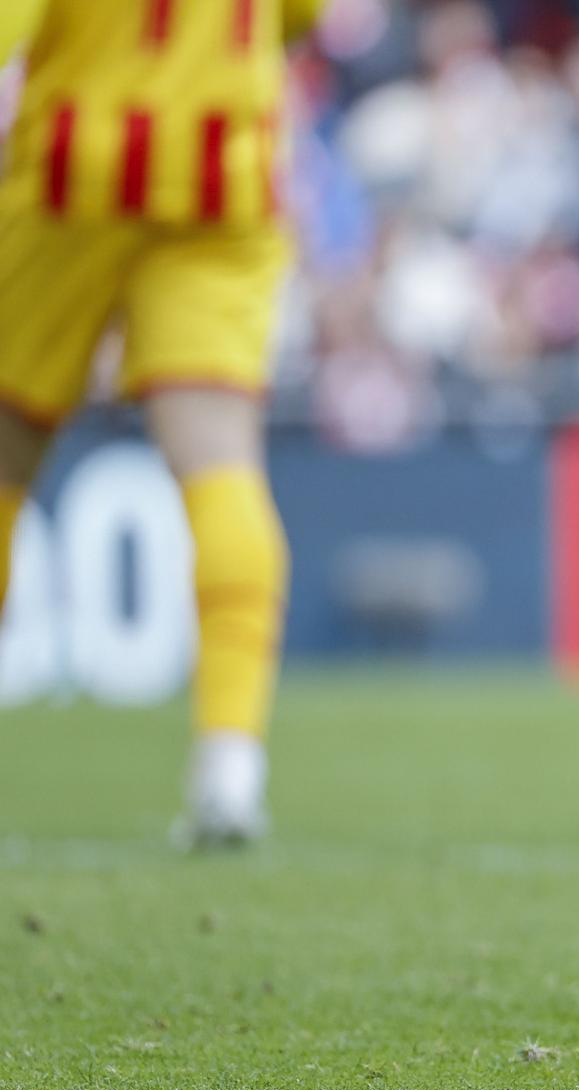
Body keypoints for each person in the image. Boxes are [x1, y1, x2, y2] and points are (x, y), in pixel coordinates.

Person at [0, 0, 319, 846]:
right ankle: (229, 766)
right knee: (223, 467)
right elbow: (301, 16)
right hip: (227, 174)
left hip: (76, 169)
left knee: (4, 455)